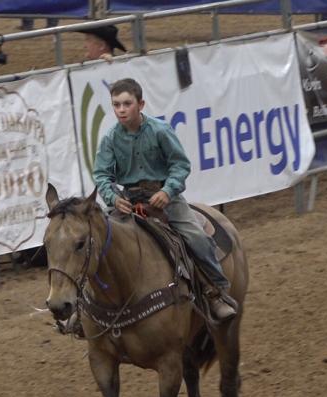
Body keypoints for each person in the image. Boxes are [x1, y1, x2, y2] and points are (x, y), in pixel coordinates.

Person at [92, 78, 237, 320]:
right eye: (116, 104)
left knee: (196, 237)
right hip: (128, 201)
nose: (121, 109)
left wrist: (167, 191)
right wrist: (113, 198)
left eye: (127, 103)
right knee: (96, 238)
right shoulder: (110, 139)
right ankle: (86, 304)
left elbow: (180, 165)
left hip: (166, 200)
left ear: (141, 104)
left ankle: (216, 291)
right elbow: (101, 175)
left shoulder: (160, 131)